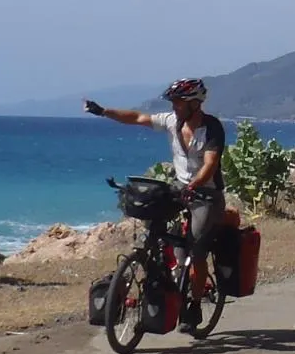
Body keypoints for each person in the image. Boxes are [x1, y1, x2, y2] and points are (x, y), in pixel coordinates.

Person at [83, 78, 227, 334]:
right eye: (173, 102)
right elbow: (137, 118)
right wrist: (103, 111)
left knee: (196, 252)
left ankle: (194, 304)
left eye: (179, 102)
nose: (175, 106)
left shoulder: (211, 128)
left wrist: (194, 186)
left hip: (206, 195)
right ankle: (159, 285)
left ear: (195, 103)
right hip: (179, 189)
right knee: (157, 237)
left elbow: (210, 165)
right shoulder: (173, 122)